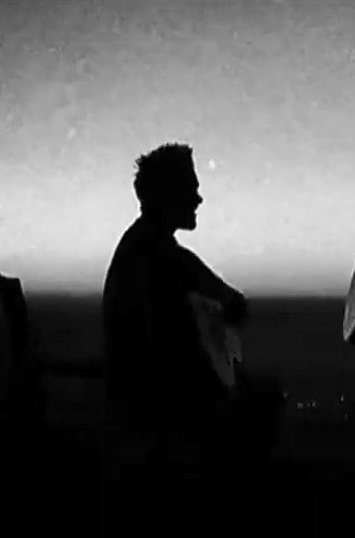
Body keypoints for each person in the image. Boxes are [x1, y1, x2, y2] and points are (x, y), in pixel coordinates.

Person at [102, 142, 249, 513]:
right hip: (157, 405)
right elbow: (234, 303)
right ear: (169, 195)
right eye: (191, 189)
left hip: (146, 397)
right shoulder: (164, 256)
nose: (199, 198)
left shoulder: (143, 246)